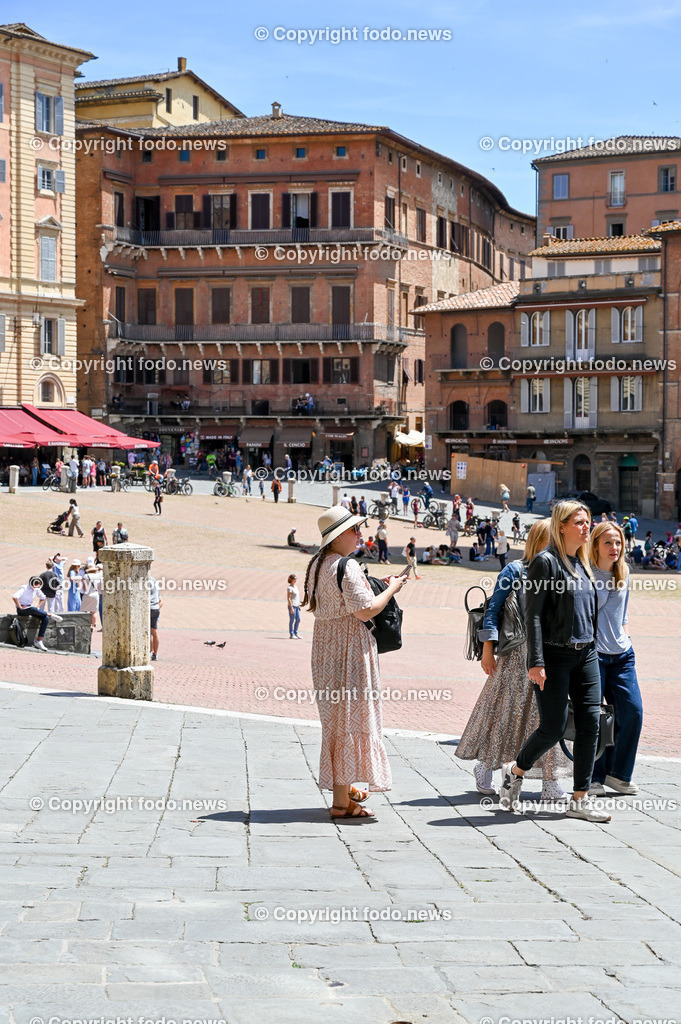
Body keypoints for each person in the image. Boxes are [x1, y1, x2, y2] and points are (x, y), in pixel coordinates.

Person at [498, 500, 611, 823]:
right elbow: (532, 617)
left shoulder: (585, 562)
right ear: (561, 526)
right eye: (578, 521)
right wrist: (536, 661)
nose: (585, 526)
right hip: (554, 654)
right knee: (552, 728)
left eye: (587, 521)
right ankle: (515, 770)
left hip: (586, 653)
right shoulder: (545, 563)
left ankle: (580, 799)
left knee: (592, 724)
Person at [302, 505, 408, 819]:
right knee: (350, 720)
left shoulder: (316, 564)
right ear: (339, 537)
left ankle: (343, 791)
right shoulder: (346, 566)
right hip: (350, 652)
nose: (360, 534)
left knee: (336, 723)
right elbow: (365, 610)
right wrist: (392, 588)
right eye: (354, 530)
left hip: (324, 651)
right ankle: (341, 803)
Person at [457, 519, 568, 801]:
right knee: (506, 713)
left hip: (550, 654)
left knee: (547, 718)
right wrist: (487, 648)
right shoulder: (515, 570)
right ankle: (486, 765)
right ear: (540, 541)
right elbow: (493, 610)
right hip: (516, 654)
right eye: (553, 540)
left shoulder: (562, 572)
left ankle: (550, 781)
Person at [588, 521, 642, 797]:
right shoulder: (584, 573)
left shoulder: (624, 572)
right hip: (593, 655)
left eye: (618, 542)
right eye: (608, 542)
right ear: (595, 544)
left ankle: (618, 775)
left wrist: (627, 639)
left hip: (622, 655)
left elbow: (623, 614)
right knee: (596, 716)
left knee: (632, 711)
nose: (614, 548)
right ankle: (594, 777)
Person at [12, 578, 62, 651]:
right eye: (35, 584)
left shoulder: (36, 589)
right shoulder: (24, 588)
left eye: (38, 585)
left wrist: (38, 605)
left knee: (45, 618)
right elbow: (14, 597)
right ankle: (50, 614)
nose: (36, 586)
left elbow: (43, 597)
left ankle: (39, 641)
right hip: (22, 610)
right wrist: (20, 606)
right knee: (33, 609)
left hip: (30, 608)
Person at [80, 557, 100, 629]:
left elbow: (84, 587)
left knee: (83, 610)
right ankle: (93, 625)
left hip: (88, 594)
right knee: (94, 611)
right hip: (95, 594)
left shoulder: (86, 576)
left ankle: (84, 625)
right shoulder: (98, 576)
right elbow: (98, 586)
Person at [149, 575, 162, 661]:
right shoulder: (154, 580)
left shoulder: (144, 580)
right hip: (155, 608)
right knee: (154, 631)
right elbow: (160, 599)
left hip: (148, 608)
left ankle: (149, 651)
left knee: (147, 631)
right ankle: (155, 654)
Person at [287, 573, 302, 638]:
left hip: (297, 605)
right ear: (291, 579)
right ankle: (291, 634)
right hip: (292, 605)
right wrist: (291, 607)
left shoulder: (296, 587)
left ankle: (296, 632)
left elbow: (297, 597)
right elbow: (289, 598)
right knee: (292, 620)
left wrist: (299, 605)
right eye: (294, 578)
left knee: (298, 619)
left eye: (296, 578)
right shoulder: (289, 588)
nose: (295, 580)